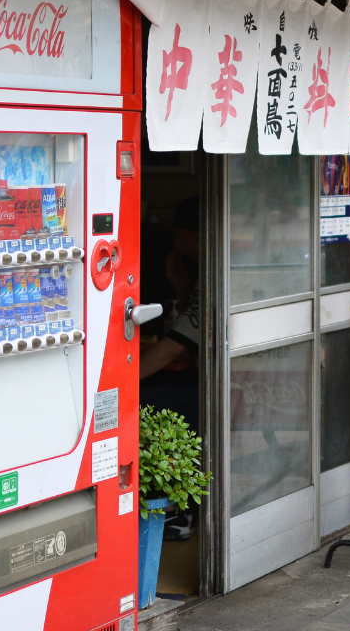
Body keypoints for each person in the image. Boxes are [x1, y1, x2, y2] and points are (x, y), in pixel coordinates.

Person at [140, 194, 200, 540]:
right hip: (222, 381)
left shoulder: (212, 273)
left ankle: (177, 510)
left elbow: (174, 347)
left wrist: (119, 380)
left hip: (225, 390)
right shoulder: (202, 272)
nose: (171, 234)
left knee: (143, 401)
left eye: (176, 228)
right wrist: (182, 287)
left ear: (193, 235)